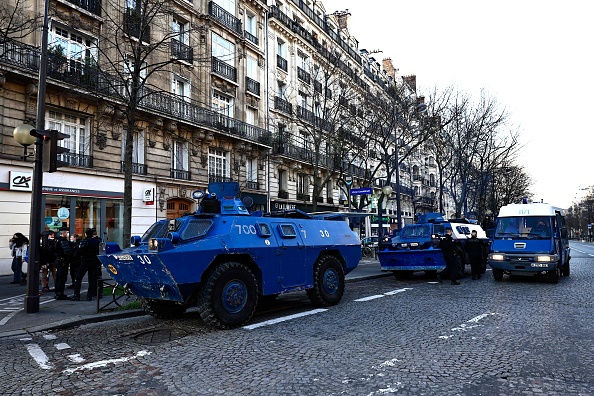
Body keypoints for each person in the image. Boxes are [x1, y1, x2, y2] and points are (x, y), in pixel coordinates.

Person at [71, 228, 101, 301]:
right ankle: (89, 295)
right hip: (94, 261)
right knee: (92, 279)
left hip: (85, 261)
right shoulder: (97, 242)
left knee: (78, 278)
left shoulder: (84, 242)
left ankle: (76, 295)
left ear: (86, 234)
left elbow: (79, 252)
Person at [53, 227, 73, 300]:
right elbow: (67, 251)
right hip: (63, 261)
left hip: (58, 260)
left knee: (59, 277)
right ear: (63, 233)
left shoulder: (57, 240)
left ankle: (58, 292)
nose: (67, 233)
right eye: (66, 232)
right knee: (62, 278)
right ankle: (60, 293)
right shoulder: (63, 241)